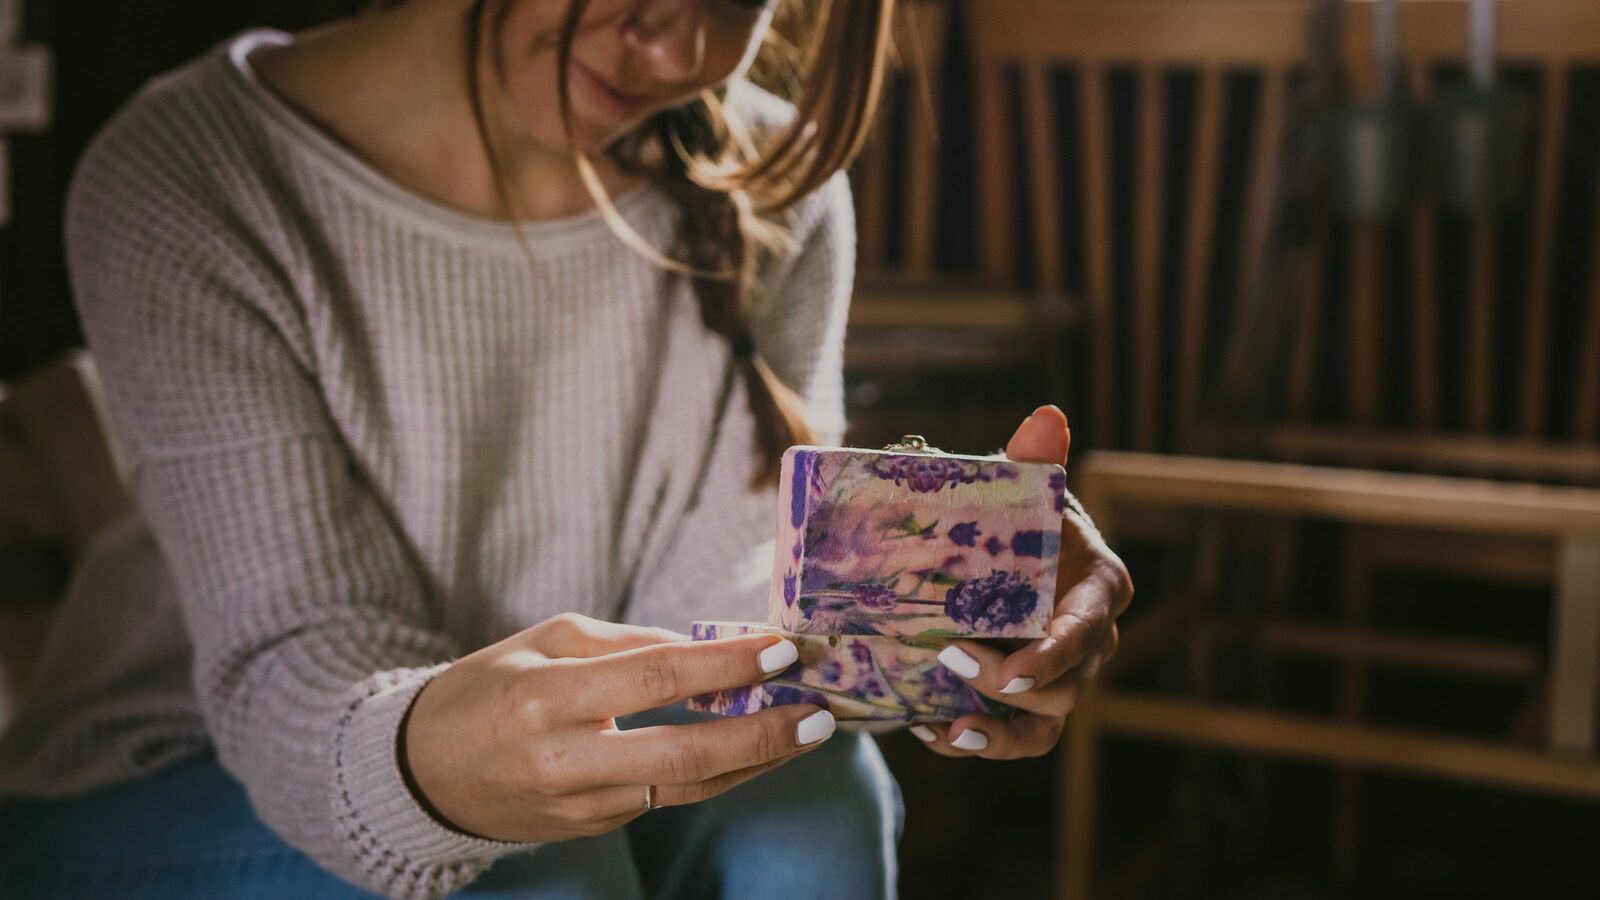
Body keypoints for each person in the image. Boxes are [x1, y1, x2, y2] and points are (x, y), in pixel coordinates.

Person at [0, 0, 1133, 897]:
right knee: (545, 865)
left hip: (581, 757)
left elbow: (734, 611)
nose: (685, 45)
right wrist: (441, 775)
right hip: (165, 783)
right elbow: (297, 665)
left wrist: (937, 599)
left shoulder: (773, 184)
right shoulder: (192, 168)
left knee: (819, 791)